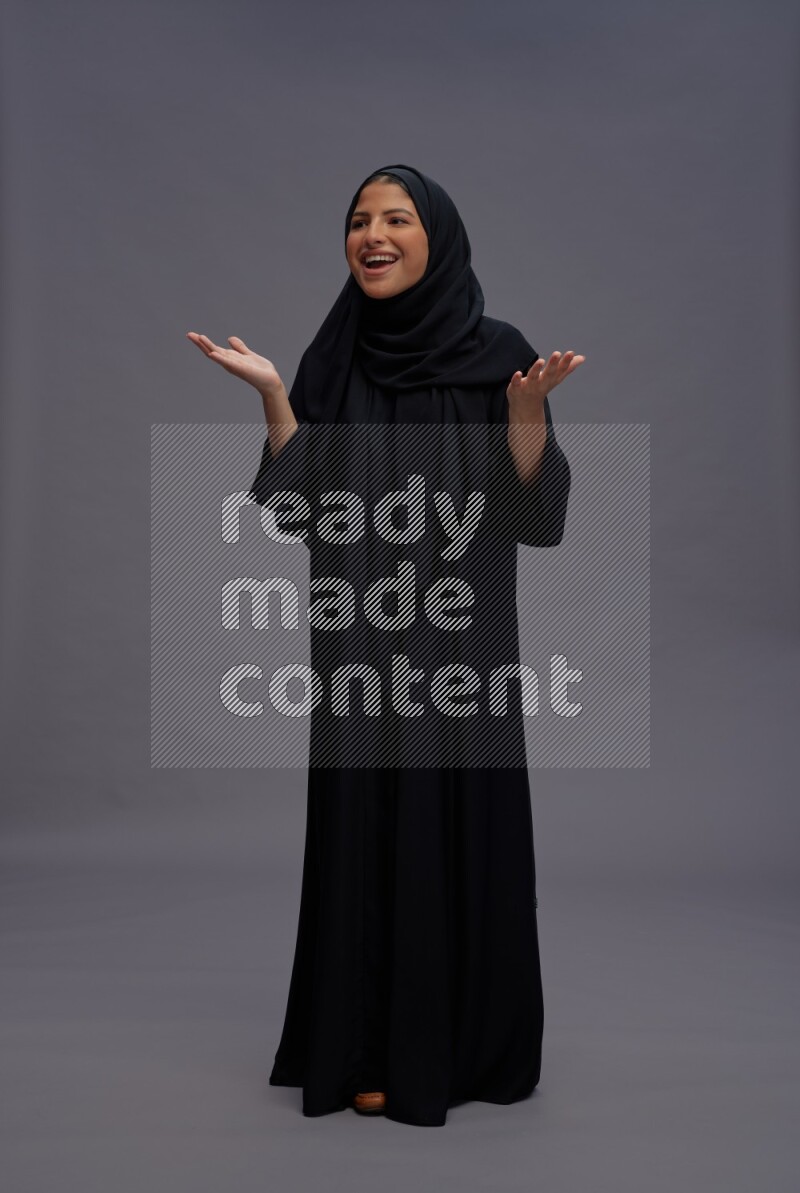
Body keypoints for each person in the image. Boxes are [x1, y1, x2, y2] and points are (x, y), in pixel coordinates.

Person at [187, 163, 583, 1127]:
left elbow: (538, 519)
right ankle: (364, 1043)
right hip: (358, 645)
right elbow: (294, 508)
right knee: (366, 831)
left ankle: (451, 1050)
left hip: (465, 650)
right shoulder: (334, 359)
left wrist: (525, 419)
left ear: (435, 236)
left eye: (396, 218)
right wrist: (277, 398)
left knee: (456, 829)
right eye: (360, 220)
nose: (374, 234)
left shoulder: (502, 357)